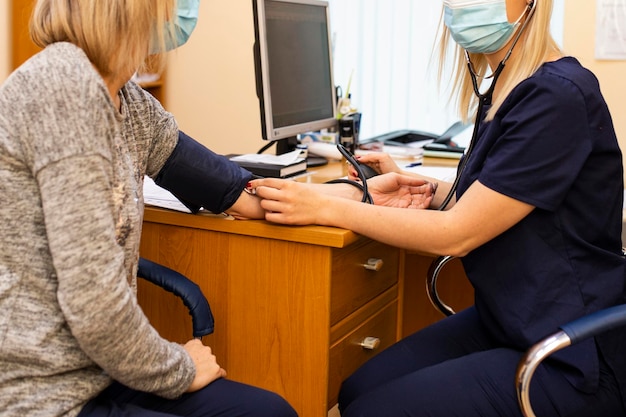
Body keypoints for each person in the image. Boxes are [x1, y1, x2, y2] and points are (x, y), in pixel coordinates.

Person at [250, 0, 626, 415]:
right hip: (512, 318)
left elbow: (458, 234)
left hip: (571, 349)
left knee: (374, 411)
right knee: (357, 390)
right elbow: (508, 197)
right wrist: (426, 188)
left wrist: (323, 208)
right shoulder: (512, 85)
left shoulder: (557, 94)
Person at [0, 1, 299, 416]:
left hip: (105, 368)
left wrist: (352, 196)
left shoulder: (127, 99)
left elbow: (225, 185)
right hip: (45, 393)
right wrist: (178, 368)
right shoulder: (63, 89)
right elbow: (94, 304)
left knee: (269, 411)